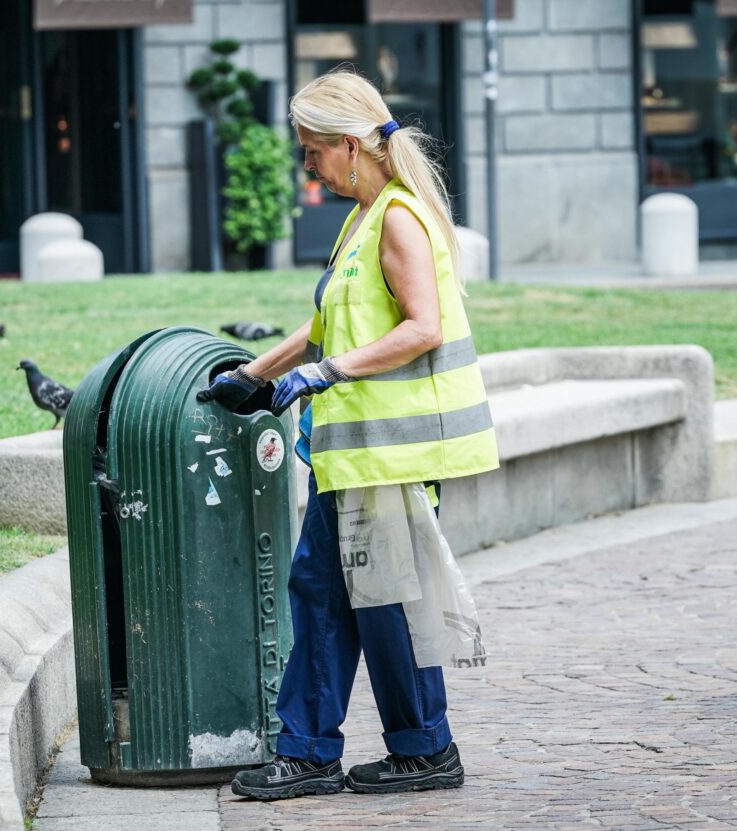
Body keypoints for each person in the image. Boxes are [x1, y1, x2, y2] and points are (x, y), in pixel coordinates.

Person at [197, 70, 499, 800]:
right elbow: (331, 318)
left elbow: (421, 325)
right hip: (365, 449)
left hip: (389, 448)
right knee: (352, 594)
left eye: (311, 151)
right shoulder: (367, 213)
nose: (307, 166)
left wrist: (322, 374)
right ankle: (410, 747)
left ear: (350, 146)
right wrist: (260, 373)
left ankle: (335, 750)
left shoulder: (395, 216)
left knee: (355, 595)